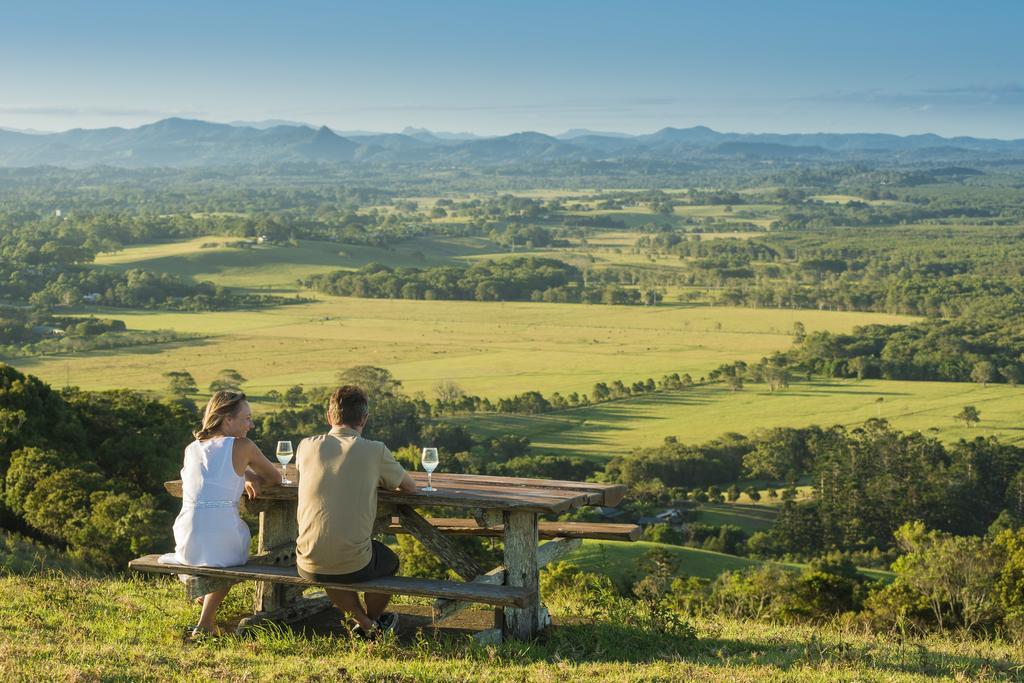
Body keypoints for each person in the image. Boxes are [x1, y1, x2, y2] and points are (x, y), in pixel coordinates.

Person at [295, 384, 417, 638]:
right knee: (389, 562)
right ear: (364, 419)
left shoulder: (306, 446)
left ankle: (365, 624)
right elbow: (409, 487)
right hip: (353, 563)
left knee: (329, 561)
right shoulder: (375, 450)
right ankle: (370, 623)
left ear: (329, 417)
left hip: (306, 559)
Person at [159, 390, 282, 637]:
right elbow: (274, 478)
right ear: (228, 420)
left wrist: (243, 474)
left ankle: (205, 607)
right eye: (246, 418)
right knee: (226, 550)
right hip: (221, 537)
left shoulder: (192, 448)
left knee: (214, 547)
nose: (251, 424)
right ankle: (205, 622)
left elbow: (212, 476)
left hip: (186, 535)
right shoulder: (243, 446)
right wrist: (249, 475)